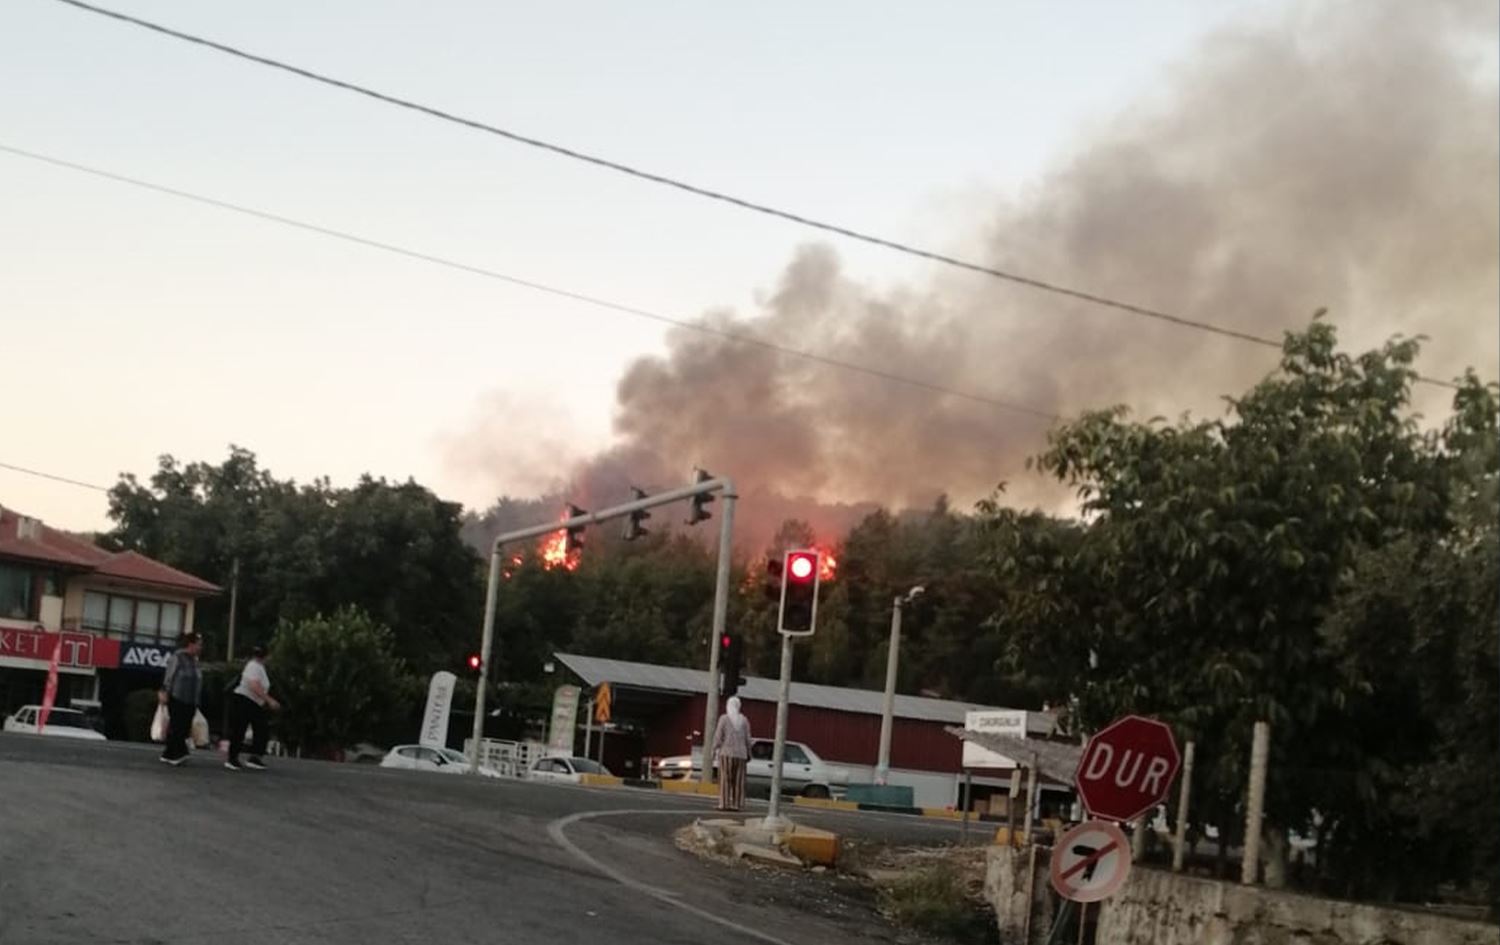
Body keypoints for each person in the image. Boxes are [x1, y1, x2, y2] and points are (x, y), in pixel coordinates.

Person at [226, 644, 280, 771]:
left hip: (254, 702)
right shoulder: (253, 666)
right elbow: (253, 685)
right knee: (240, 729)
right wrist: (269, 700)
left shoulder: (259, 667)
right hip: (244, 699)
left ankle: (255, 756)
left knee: (261, 728)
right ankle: (232, 758)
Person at [158, 631, 203, 766]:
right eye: (199, 644)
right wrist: (164, 691)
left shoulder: (195, 661)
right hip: (177, 697)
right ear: (191, 644)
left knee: (184, 726)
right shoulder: (177, 657)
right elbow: (169, 677)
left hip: (191, 699)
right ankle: (178, 752)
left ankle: (169, 753)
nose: (200, 648)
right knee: (178, 726)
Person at [712, 696, 752, 812]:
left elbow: (718, 737)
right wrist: (749, 753)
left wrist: (713, 749)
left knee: (725, 779)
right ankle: (737, 804)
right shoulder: (744, 720)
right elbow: (748, 739)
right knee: (738, 781)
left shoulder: (724, 719)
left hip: (726, 753)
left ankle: (724, 803)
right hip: (741, 755)